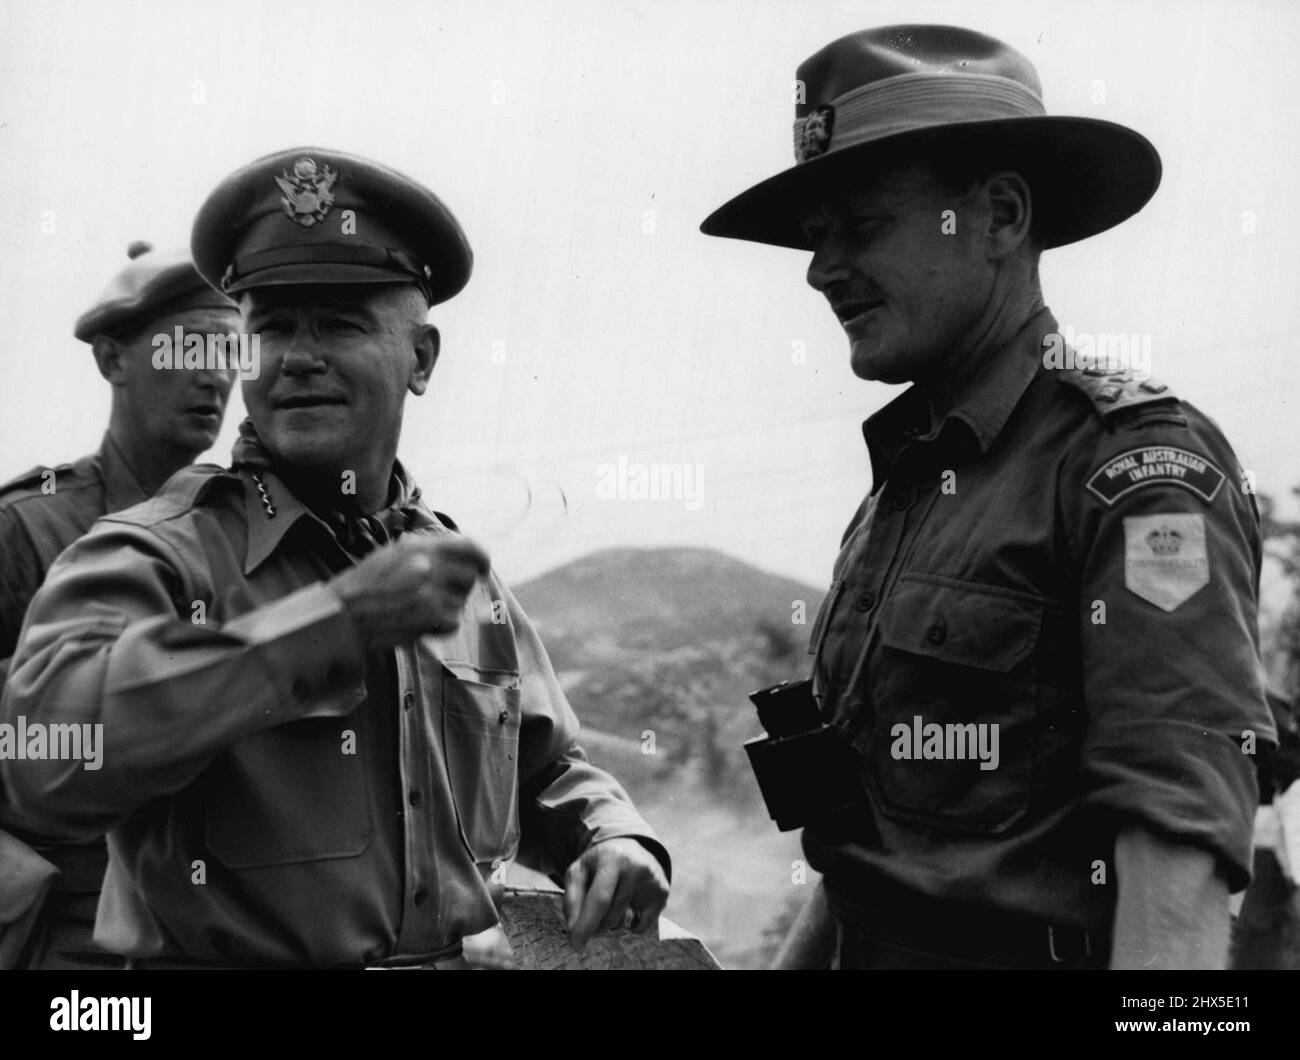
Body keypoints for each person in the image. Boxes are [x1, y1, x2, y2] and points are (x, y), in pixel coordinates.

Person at [1, 147, 670, 968]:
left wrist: (611, 834)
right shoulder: (156, 553)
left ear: (420, 359)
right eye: (274, 327)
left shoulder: (454, 574)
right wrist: (327, 627)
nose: (298, 357)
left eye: (340, 324)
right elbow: (45, 763)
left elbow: (549, 764)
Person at [701, 25, 1275, 969]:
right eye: (815, 236)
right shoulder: (909, 481)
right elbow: (869, 856)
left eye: (864, 224)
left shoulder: (1137, 470)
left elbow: (1176, 849)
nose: (821, 268)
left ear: (1001, 217)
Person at [0, 243, 239, 968]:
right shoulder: (27, 527)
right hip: (73, 915)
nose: (213, 374)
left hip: (225, 915)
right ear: (111, 359)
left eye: (230, 352)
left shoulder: (243, 533)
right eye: (185, 347)